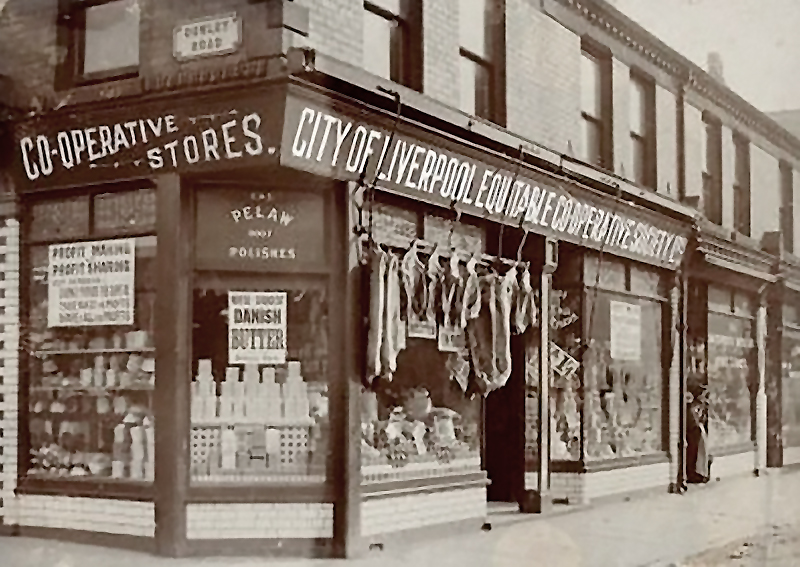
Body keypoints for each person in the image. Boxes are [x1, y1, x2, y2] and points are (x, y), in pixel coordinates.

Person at [685, 389, 711, 484]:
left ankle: (699, 472)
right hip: (692, 430)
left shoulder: (697, 408)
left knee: (700, 449)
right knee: (694, 449)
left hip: (695, 429)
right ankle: (694, 472)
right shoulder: (691, 408)